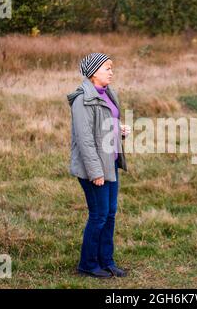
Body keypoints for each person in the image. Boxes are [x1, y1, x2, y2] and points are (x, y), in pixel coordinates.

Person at [67, 53, 130, 278]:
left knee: (110, 214)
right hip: (94, 169)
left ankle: (107, 261)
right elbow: (85, 140)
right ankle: (88, 264)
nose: (111, 72)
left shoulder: (107, 94)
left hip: (109, 163)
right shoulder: (82, 100)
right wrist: (95, 173)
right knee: (99, 215)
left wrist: (117, 129)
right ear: (93, 73)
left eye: (111, 68)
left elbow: (102, 126)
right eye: (107, 68)